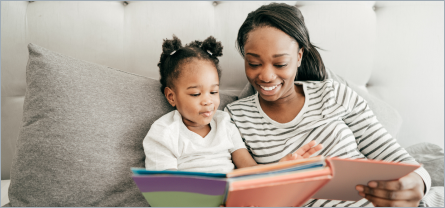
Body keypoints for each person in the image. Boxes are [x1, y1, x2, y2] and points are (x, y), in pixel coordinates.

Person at [225, 3, 431, 207]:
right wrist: (274, 179)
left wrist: (417, 183)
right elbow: (236, 195)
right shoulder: (233, 119)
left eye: (280, 64)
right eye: (253, 63)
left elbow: (401, 162)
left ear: (299, 57)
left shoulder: (333, 94)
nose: (267, 76)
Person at [143, 35, 323, 174]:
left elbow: (249, 170)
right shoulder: (164, 132)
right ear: (171, 96)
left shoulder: (224, 123)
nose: (208, 101)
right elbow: (165, 192)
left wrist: (279, 169)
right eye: (196, 94)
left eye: (214, 92)